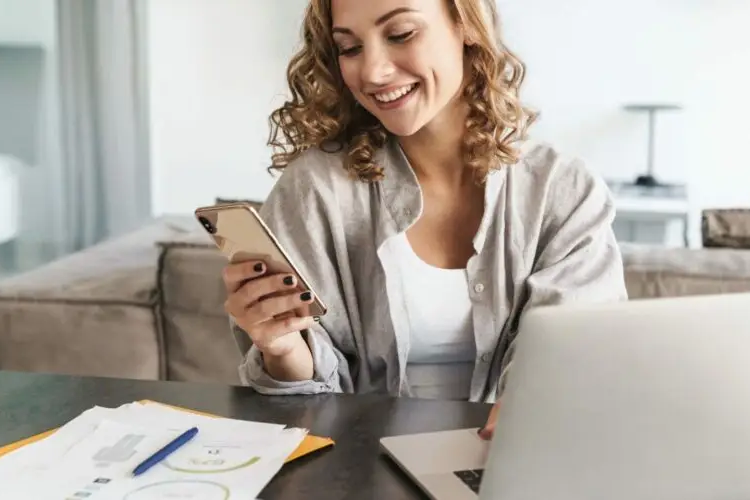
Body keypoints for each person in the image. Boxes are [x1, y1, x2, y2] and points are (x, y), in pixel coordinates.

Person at [223, 0, 628, 439]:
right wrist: (282, 348)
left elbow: (579, 359)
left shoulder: (561, 191)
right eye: (350, 47)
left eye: (400, 34)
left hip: (507, 465)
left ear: (466, 25)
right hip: (356, 467)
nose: (373, 72)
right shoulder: (314, 190)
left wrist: (538, 403)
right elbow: (305, 412)